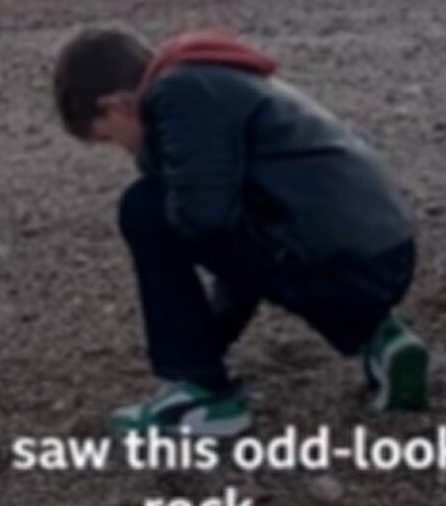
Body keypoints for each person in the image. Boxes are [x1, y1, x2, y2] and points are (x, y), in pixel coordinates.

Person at [52, 27, 429, 437]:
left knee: (145, 208)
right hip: (380, 253)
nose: (125, 150)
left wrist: (191, 353)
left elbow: (208, 224)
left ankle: (202, 398)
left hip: (340, 258)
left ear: (117, 105)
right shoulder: (211, 78)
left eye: (109, 137)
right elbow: (241, 241)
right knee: (233, 222)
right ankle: (380, 337)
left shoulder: (180, 95)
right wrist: (213, 334)